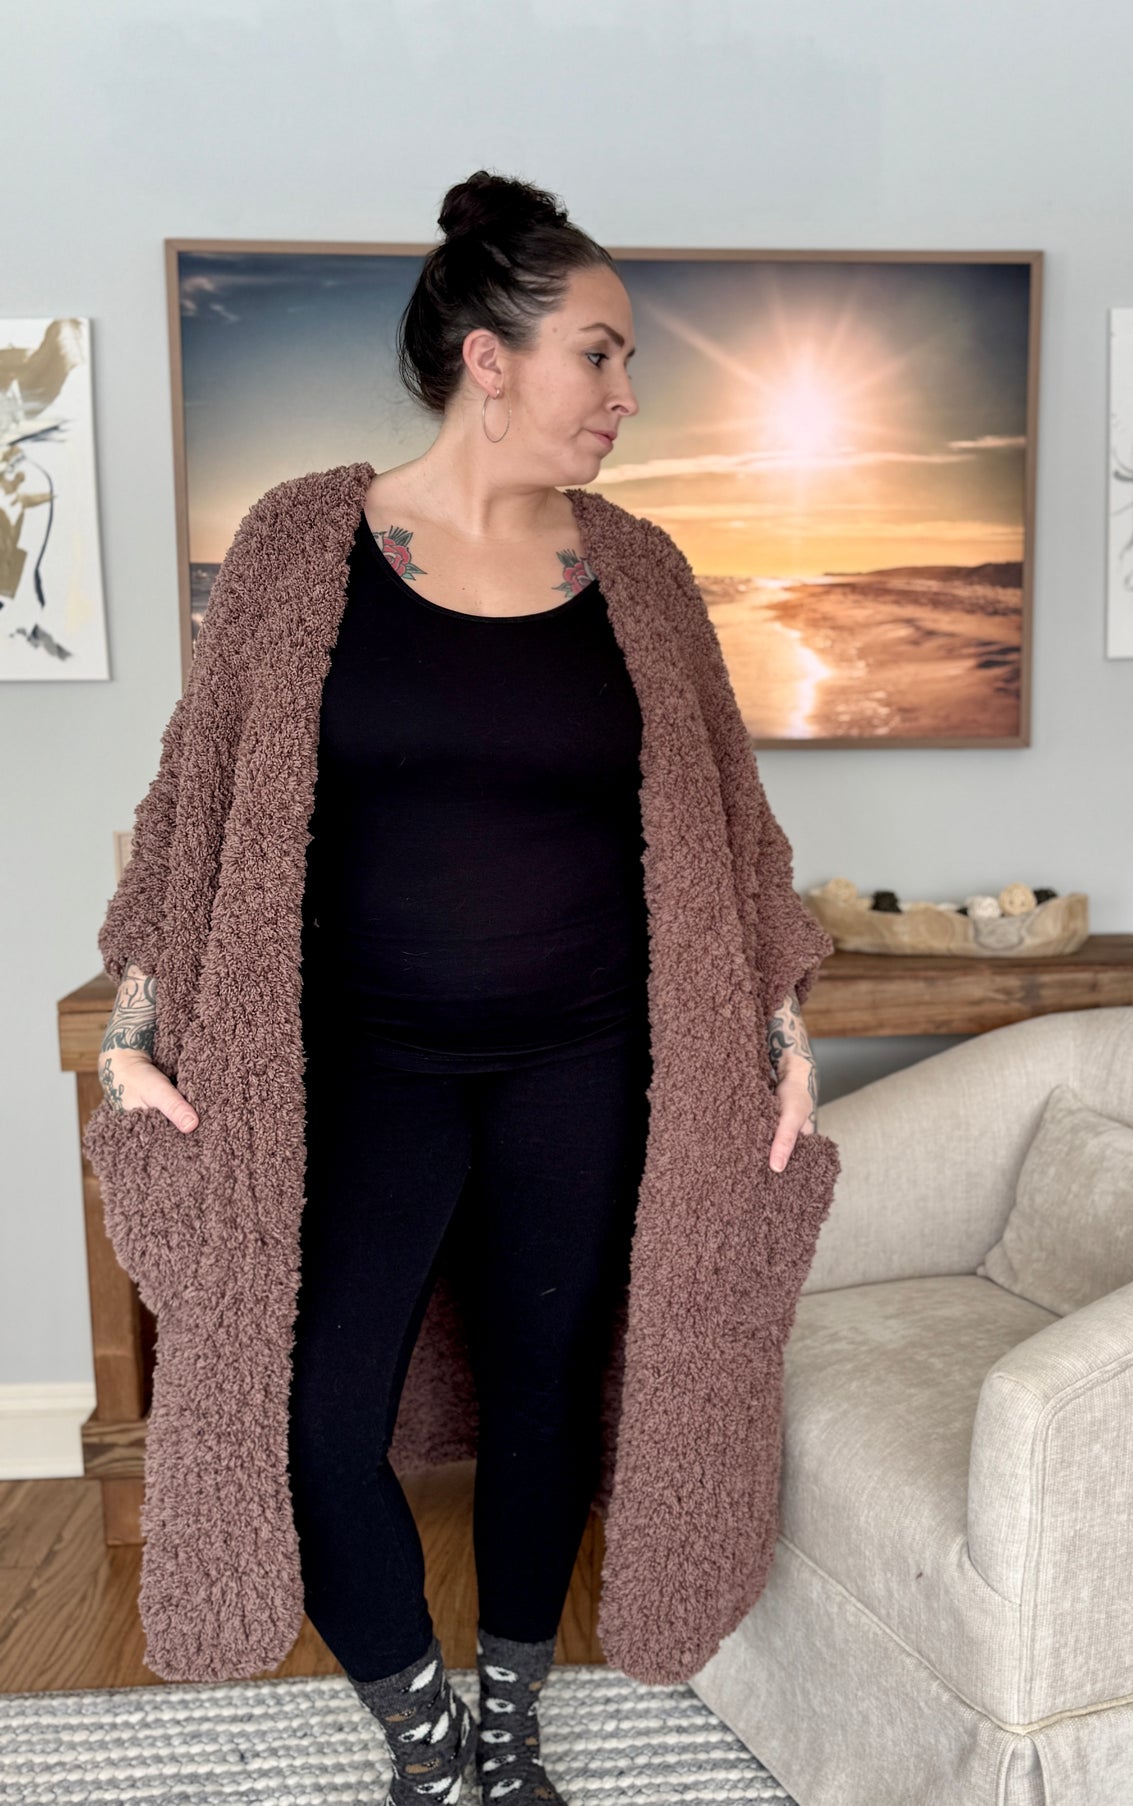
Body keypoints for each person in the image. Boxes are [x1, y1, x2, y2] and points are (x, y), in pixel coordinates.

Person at [94, 169, 823, 1806]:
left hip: (586, 1058)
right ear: (487, 359)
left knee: (544, 1393)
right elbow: (195, 800)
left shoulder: (638, 571)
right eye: (599, 355)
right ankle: (415, 1726)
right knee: (313, 1409)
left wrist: (778, 1026)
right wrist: (139, 1021)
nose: (627, 396)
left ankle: (506, 1719)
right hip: (364, 1067)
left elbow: (727, 819)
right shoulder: (302, 540)